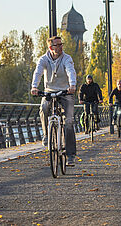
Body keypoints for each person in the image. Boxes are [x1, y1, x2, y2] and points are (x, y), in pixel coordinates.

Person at [31, 35, 77, 167]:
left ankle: (70, 155)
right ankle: (46, 134)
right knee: (44, 108)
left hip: (65, 91)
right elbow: (38, 72)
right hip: (49, 91)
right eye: (58, 45)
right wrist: (34, 86)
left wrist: (72, 85)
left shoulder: (66, 58)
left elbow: (70, 71)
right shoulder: (43, 59)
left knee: (68, 121)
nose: (61, 47)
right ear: (51, 48)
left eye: (61, 44)